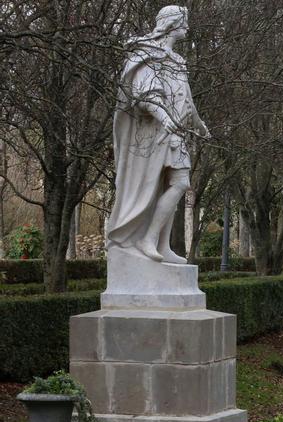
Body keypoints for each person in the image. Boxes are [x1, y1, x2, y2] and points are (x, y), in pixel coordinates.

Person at [106, 6, 209, 263]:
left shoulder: (177, 61)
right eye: (184, 21)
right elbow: (145, 94)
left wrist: (199, 124)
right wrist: (166, 118)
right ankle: (147, 239)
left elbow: (186, 100)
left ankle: (162, 246)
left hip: (176, 134)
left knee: (177, 184)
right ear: (172, 23)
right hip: (153, 135)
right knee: (164, 186)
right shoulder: (148, 54)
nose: (188, 26)